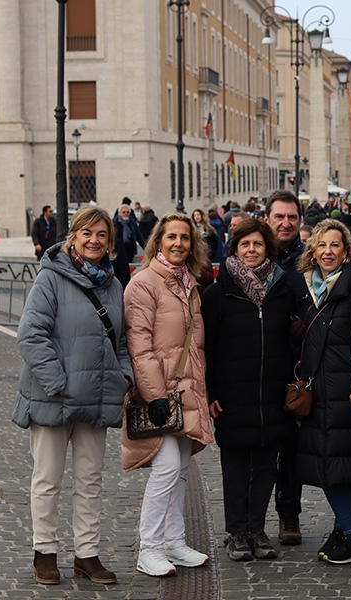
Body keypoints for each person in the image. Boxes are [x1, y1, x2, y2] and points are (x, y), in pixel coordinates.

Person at [13, 207, 133, 586]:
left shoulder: (114, 285)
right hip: (54, 396)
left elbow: (121, 343)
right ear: (73, 236)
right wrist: (59, 382)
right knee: (47, 479)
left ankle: (87, 554)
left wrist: (124, 378)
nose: (94, 240)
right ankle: (44, 552)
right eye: (87, 233)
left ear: (110, 241)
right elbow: (31, 334)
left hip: (96, 397)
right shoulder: (50, 278)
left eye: (102, 234)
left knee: (90, 479)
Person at [122, 213, 215, 576]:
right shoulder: (144, 283)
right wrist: (155, 394)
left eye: (185, 238)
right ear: (157, 242)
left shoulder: (188, 283)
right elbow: (139, 345)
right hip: (159, 395)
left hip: (184, 393)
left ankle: (174, 542)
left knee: (178, 470)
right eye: (171, 236)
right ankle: (149, 547)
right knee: (164, 469)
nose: (178, 243)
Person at [202, 218, 296, 562]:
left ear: (267, 248)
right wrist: (211, 390)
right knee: (237, 466)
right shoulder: (217, 293)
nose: (252, 250)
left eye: (258, 244)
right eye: (245, 245)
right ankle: (236, 532)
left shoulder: (282, 289)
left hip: (272, 392)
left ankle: (257, 527)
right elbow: (206, 348)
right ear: (235, 249)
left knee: (267, 466)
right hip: (232, 394)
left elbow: (290, 339)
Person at [290, 219, 351, 564]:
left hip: (349, 392)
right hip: (316, 391)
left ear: (347, 251)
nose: (328, 251)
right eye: (321, 245)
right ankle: (344, 531)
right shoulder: (304, 292)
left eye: (335, 245)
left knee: (339, 464)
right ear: (312, 250)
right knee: (337, 464)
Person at [263, 190, 306, 546]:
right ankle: (250, 520)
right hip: (260, 363)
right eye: (279, 217)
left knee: (291, 446)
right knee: (259, 445)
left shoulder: (310, 260)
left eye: (291, 217)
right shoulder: (252, 255)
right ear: (267, 219)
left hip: (297, 364)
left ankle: (289, 515)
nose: (286, 223)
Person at [113, 203, 146, 288]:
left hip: (129, 250)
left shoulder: (132, 222)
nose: (126, 214)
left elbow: (139, 236)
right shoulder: (114, 222)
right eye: (124, 212)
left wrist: (146, 248)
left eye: (127, 212)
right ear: (119, 213)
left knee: (127, 270)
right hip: (118, 251)